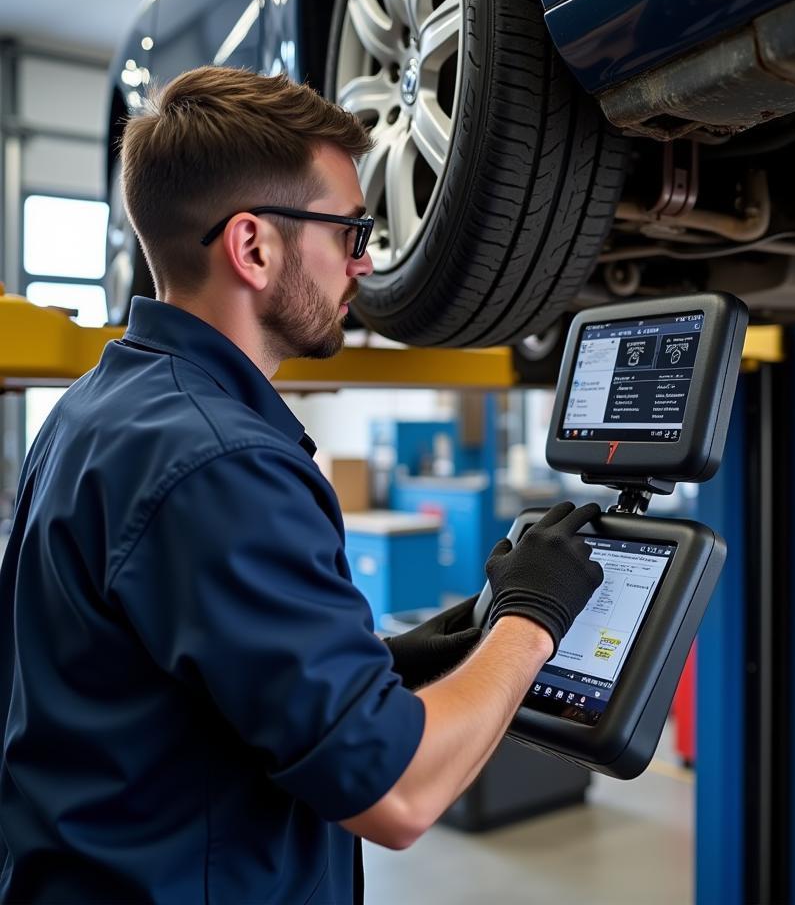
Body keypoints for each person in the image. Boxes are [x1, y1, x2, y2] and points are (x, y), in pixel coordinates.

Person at [0, 67, 603, 904]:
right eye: (349, 231)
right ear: (254, 246)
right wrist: (534, 619)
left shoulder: (97, 411)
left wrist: (418, 654)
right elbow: (397, 794)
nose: (362, 264)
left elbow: (189, 674)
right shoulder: (222, 463)